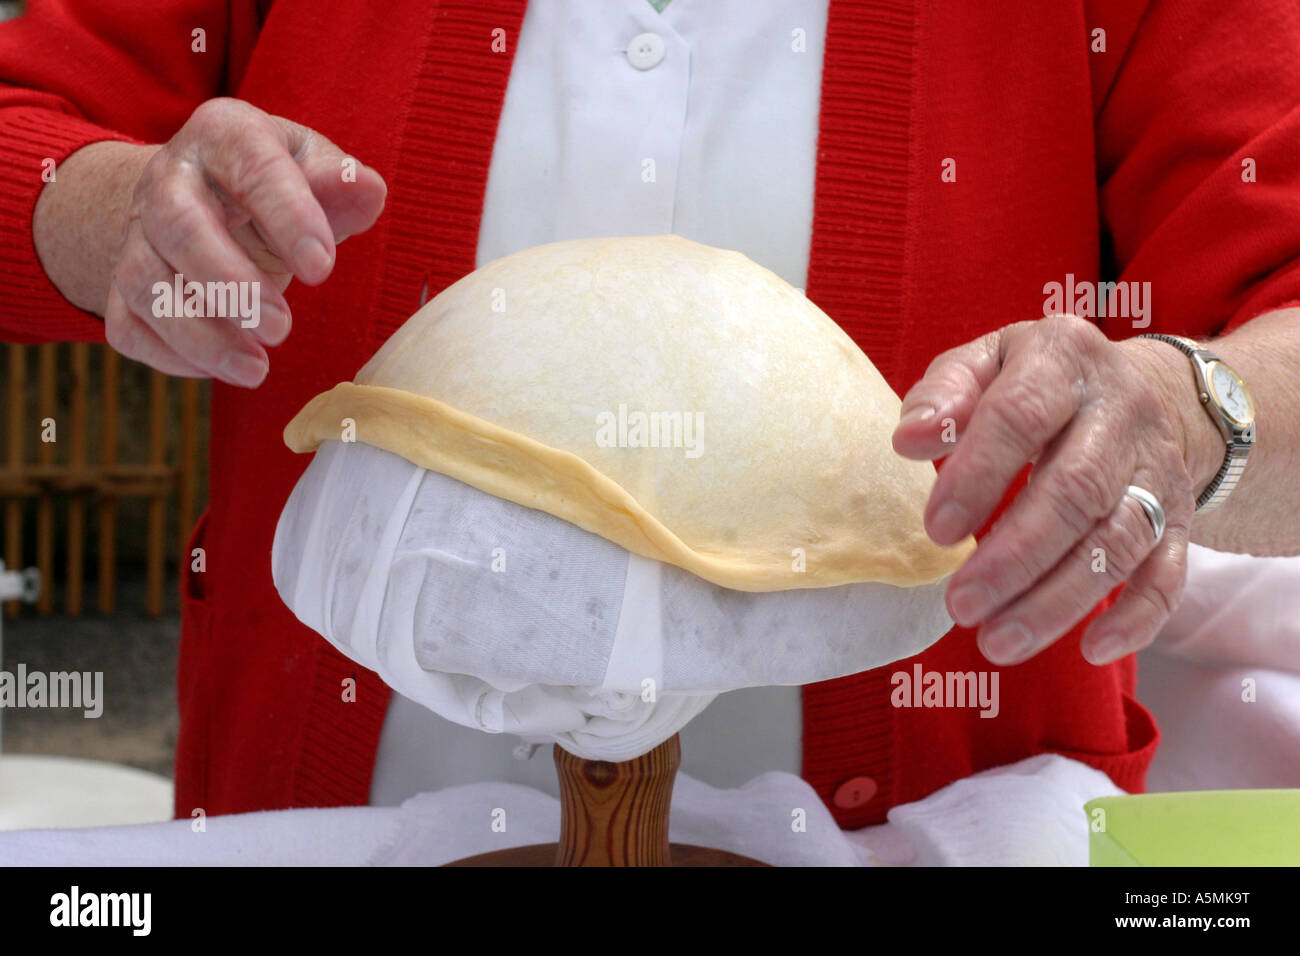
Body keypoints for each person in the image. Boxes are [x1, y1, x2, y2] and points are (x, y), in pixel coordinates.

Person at [1, 0, 1298, 829]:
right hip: (322, 824)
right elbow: (30, 131)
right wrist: (119, 208)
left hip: (932, 826)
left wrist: (1196, 415)